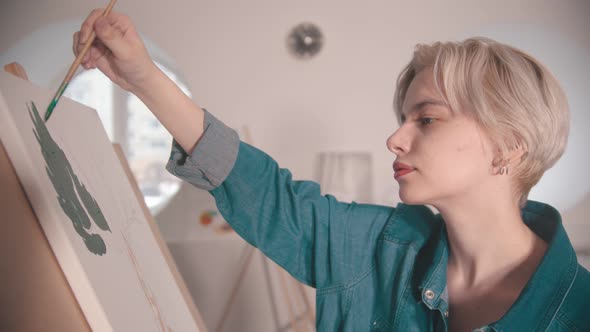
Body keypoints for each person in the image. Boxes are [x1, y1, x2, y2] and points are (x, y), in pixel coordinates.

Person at [74, 9, 590, 332]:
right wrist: (143, 77)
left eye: (427, 118)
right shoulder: (378, 247)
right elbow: (269, 197)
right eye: (403, 118)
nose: (395, 138)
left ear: (509, 145)